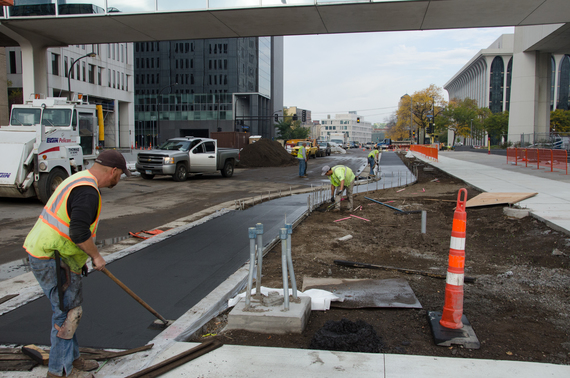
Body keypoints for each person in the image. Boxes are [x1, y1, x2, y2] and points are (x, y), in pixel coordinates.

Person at [23, 150, 131, 378]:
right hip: (52, 257)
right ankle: (60, 371)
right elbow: (79, 232)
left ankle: (71, 359)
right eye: (120, 174)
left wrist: (77, 261)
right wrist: (96, 257)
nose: (118, 179)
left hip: (54, 254)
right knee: (66, 314)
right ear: (113, 171)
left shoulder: (77, 179)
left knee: (70, 309)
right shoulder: (87, 192)